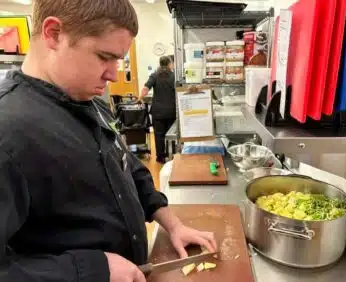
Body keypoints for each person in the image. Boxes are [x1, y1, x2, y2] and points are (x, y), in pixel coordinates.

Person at [0, 1, 217, 282]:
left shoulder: (92, 104)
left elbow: (130, 170)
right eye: (104, 57)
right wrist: (92, 269)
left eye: (119, 60)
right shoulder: (8, 131)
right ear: (53, 34)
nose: (114, 74)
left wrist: (173, 225)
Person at [140, 56, 176, 163]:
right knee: (171, 135)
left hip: (158, 112)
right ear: (169, 64)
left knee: (158, 135)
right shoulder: (174, 76)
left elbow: (145, 90)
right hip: (171, 111)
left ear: (160, 64)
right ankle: (172, 156)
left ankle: (160, 157)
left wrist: (140, 98)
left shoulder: (155, 75)